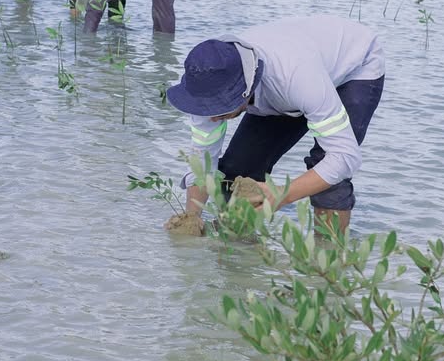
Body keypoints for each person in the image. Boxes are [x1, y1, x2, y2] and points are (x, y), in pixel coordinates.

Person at [165, 15, 385, 234]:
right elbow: (204, 163)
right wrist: (192, 216)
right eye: (205, 108)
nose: (210, 118)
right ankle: (241, 255)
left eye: (218, 108)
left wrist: (282, 194)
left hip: (354, 67)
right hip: (292, 76)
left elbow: (344, 157)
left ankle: (328, 259)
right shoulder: (205, 84)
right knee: (236, 170)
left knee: (327, 171)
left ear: (245, 91)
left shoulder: (296, 79)